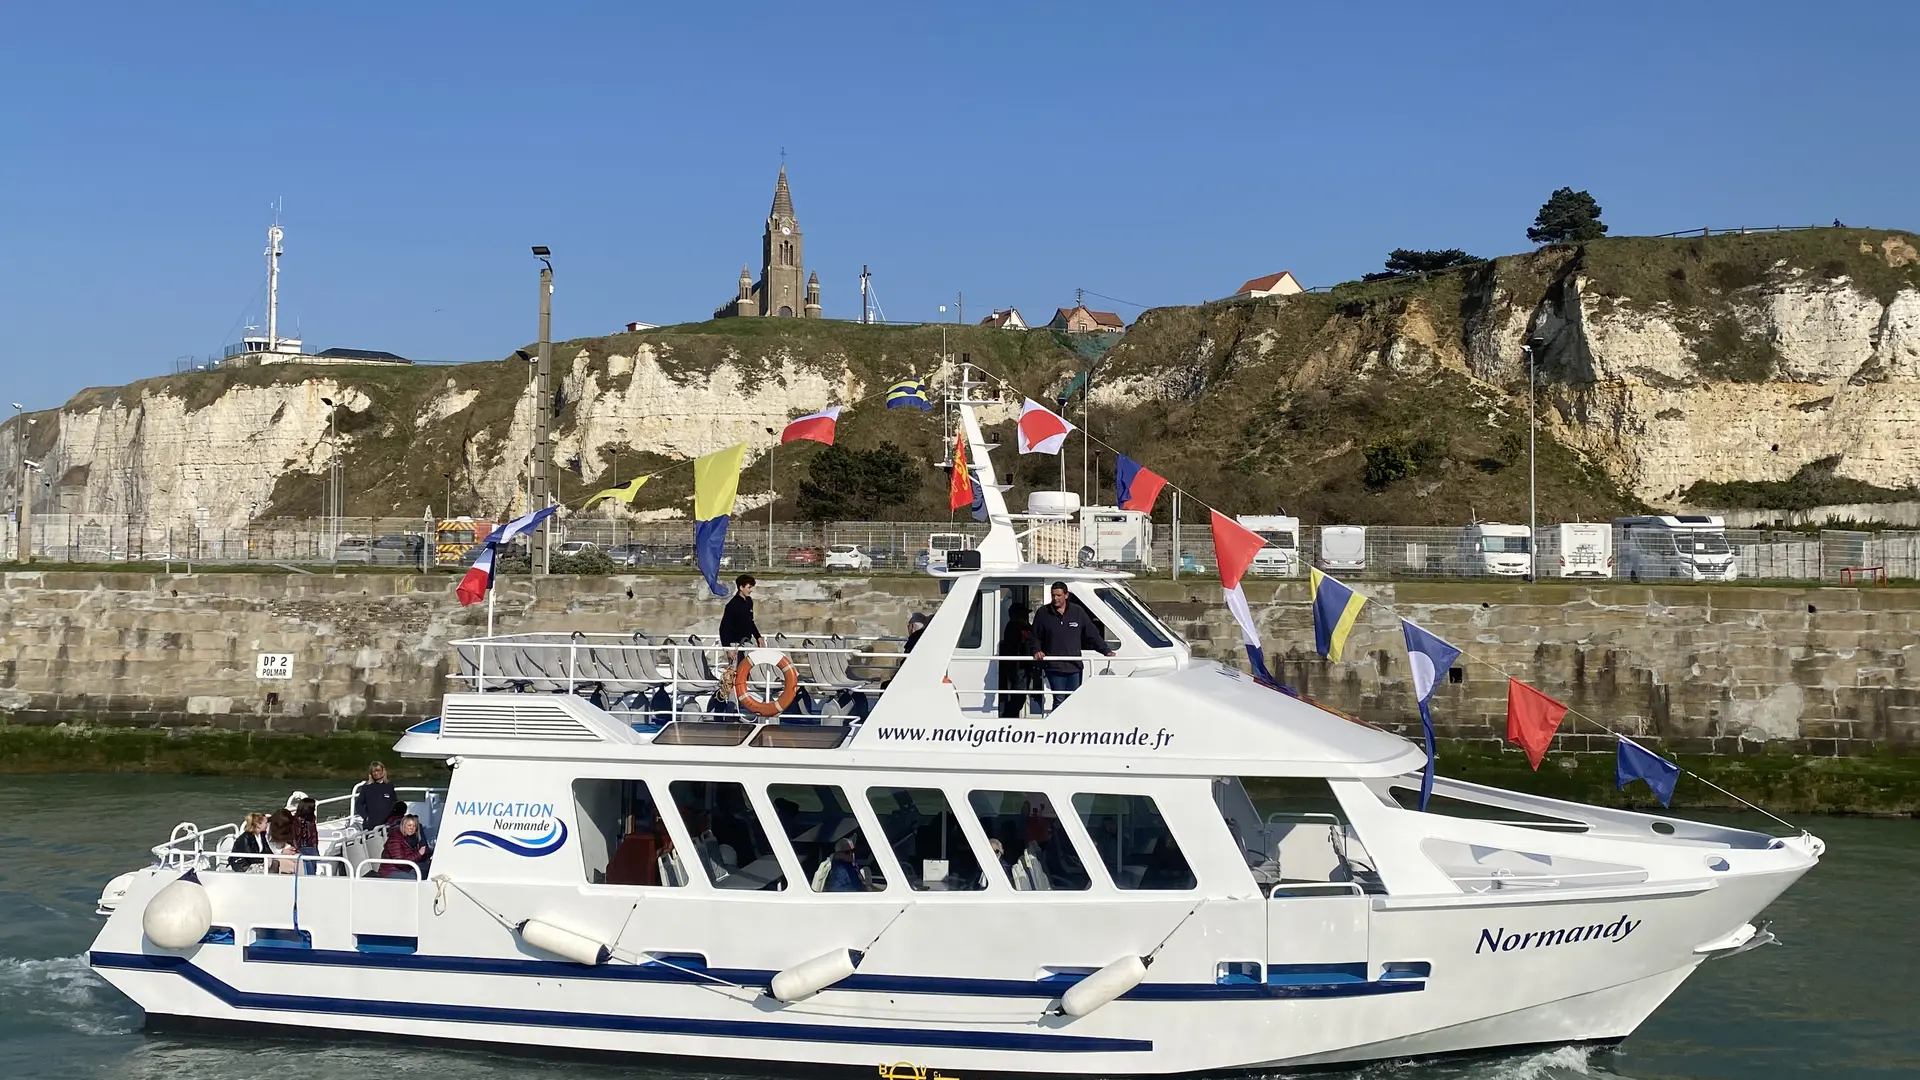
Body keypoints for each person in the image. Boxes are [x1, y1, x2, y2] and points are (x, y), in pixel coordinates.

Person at [1030, 581, 1113, 710]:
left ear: (1066, 595)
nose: (1055, 598)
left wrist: (1105, 650)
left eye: (1058, 595)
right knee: (1059, 700)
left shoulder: (1077, 612)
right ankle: (1057, 729)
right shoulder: (1043, 613)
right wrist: (1037, 650)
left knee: (1074, 701)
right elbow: (1035, 636)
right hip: (1054, 666)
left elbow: (1091, 633)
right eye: (1053, 595)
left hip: (1074, 666)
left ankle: (1071, 728)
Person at [997, 605, 1040, 718]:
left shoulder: (1015, 627)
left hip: (1021, 666)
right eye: (1024, 614)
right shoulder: (1016, 627)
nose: (1026, 616)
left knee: (1022, 694)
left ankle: (1010, 716)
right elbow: (1020, 644)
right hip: (1019, 666)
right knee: (1019, 696)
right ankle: (1008, 718)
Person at [719, 574, 764, 649]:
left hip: (747, 643)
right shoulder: (732, 605)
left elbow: (750, 622)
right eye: (749, 587)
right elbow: (724, 628)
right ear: (741, 587)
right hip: (735, 645)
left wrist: (758, 637)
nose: (751, 590)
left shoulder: (749, 601)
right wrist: (727, 648)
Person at [354, 761, 398, 830]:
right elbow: (358, 804)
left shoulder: (389, 786)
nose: (376, 773)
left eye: (378, 770)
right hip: (371, 824)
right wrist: (366, 817)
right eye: (373, 771)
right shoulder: (366, 787)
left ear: (383, 771)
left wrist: (391, 817)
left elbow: (394, 802)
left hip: (387, 824)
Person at [292, 797, 322, 875]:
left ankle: (311, 876)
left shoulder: (311, 820)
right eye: (313, 808)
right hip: (300, 847)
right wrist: (297, 849)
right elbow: (294, 837)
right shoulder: (294, 821)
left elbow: (314, 835)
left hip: (310, 847)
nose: (315, 809)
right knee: (307, 863)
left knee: (312, 862)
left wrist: (315, 848)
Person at [266, 809, 298, 874]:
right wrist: (282, 852)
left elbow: (283, 844)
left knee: (300, 860)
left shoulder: (284, 830)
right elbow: (267, 849)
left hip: (281, 854)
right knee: (294, 866)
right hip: (272, 858)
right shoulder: (266, 830)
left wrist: (290, 848)